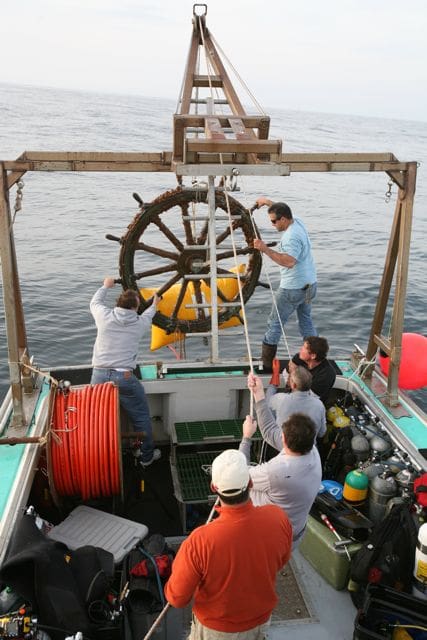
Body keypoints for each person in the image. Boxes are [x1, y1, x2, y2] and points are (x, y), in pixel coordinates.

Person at [165, 449, 292, 639]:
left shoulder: (198, 541)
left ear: (213, 488)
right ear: (250, 483)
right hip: (260, 622)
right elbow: (281, 560)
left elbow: (177, 598)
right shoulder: (278, 517)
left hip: (216, 631)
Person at [241, 373, 322, 546]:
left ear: (284, 440)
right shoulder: (313, 451)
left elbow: (240, 476)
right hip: (295, 533)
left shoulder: (276, 471)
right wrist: (258, 394)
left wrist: (246, 437)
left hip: (271, 538)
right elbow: (270, 431)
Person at [90, 276, 161, 467]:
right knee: (141, 418)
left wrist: (105, 286)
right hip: (125, 378)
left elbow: (95, 302)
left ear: (118, 304)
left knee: (94, 419)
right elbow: (150, 313)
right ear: (135, 307)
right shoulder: (139, 323)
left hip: (99, 375)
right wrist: (155, 302)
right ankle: (146, 457)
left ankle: (97, 459)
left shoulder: (103, 316)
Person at [253, 197, 317, 371]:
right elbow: (282, 210)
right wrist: (267, 202)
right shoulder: (298, 223)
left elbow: (288, 261)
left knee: (274, 323)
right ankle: (315, 359)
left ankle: (266, 365)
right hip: (310, 286)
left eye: (274, 221)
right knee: (306, 322)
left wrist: (264, 248)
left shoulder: (291, 237)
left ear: (283, 219)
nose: (272, 225)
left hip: (293, 289)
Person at [267, 365, 326, 439]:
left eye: (290, 379)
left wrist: (275, 376)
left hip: (284, 445)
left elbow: (267, 402)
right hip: (309, 447)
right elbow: (322, 433)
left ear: (294, 385)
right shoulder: (319, 405)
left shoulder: (280, 399)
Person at [288, 336, 336, 404]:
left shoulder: (326, 375)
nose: (301, 349)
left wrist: (293, 377)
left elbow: (307, 398)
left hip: (312, 403)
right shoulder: (300, 357)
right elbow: (291, 365)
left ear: (313, 356)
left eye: (304, 348)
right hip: (296, 392)